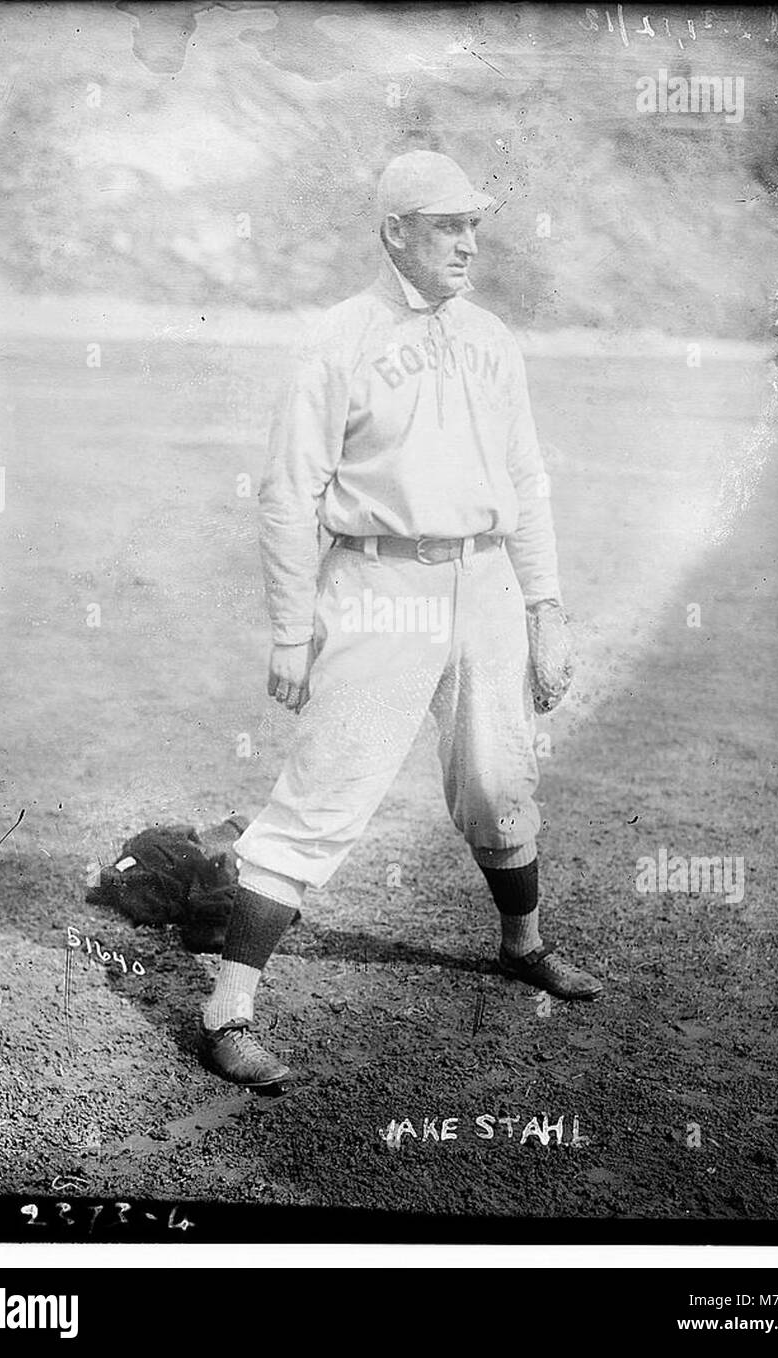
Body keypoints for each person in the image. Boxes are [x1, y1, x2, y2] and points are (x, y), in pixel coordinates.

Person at [201, 150, 602, 1088]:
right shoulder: (339, 336)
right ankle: (226, 1012)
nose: (467, 243)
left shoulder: (492, 337)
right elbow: (287, 493)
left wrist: (546, 610)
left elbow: (527, 480)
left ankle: (522, 942)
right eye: (445, 226)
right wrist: (292, 630)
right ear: (394, 233)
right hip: (379, 585)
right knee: (325, 794)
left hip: (487, 585)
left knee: (498, 780)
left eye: (474, 225)